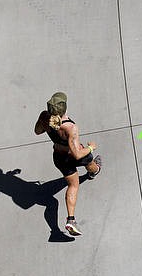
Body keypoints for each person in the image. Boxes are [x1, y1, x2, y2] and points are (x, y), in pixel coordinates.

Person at [35, 92, 101, 236]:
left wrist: (47, 126)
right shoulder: (70, 127)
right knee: (88, 160)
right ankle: (94, 171)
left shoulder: (44, 116)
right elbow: (77, 154)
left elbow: (37, 131)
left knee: (72, 184)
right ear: (64, 107)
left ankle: (71, 220)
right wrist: (91, 147)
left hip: (59, 157)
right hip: (72, 156)